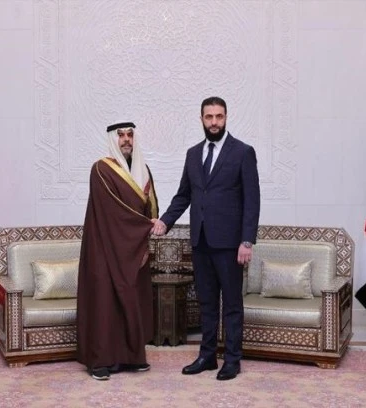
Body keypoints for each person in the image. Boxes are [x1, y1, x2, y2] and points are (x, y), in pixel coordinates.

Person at [151, 97, 260, 381]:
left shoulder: (243, 152)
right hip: (200, 242)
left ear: (226, 118)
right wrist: (165, 221)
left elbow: (252, 201)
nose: (214, 122)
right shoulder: (192, 154)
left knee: (232, 305)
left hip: (230, 244)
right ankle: (207, 356)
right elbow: (184, 195)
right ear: (201, 119)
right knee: (207, 303)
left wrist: (247, 241)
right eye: (209, 117)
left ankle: (232, 360)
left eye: (218, 116)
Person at [77, 121, 159, 381]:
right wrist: (145, 227)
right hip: (104, 248)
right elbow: (112, 212)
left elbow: (150, 209)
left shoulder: (143, 171)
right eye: (121, 135)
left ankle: (132, 357)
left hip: (134, 251)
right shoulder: (101, 169)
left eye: (130, 135)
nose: (126, 140)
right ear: (113, 139)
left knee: (131, 301)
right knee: (105, 303)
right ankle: (100, 361)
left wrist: (146, 237)